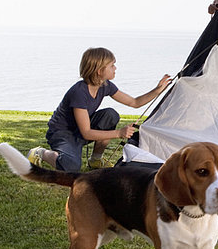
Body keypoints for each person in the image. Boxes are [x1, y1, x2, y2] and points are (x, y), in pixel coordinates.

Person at [27, 47, 171, 171]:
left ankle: (95, 160)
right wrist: (119, 133)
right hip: (62, 133)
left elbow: (134, 102)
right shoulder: (79, 92)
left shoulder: (105, 85)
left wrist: (157, 90)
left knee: (110, 115)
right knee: (71, 166)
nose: (115, 68)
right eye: (112, 65)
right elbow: (87, 132)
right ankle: (41, 153)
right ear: (99, 70)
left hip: (81, 129)